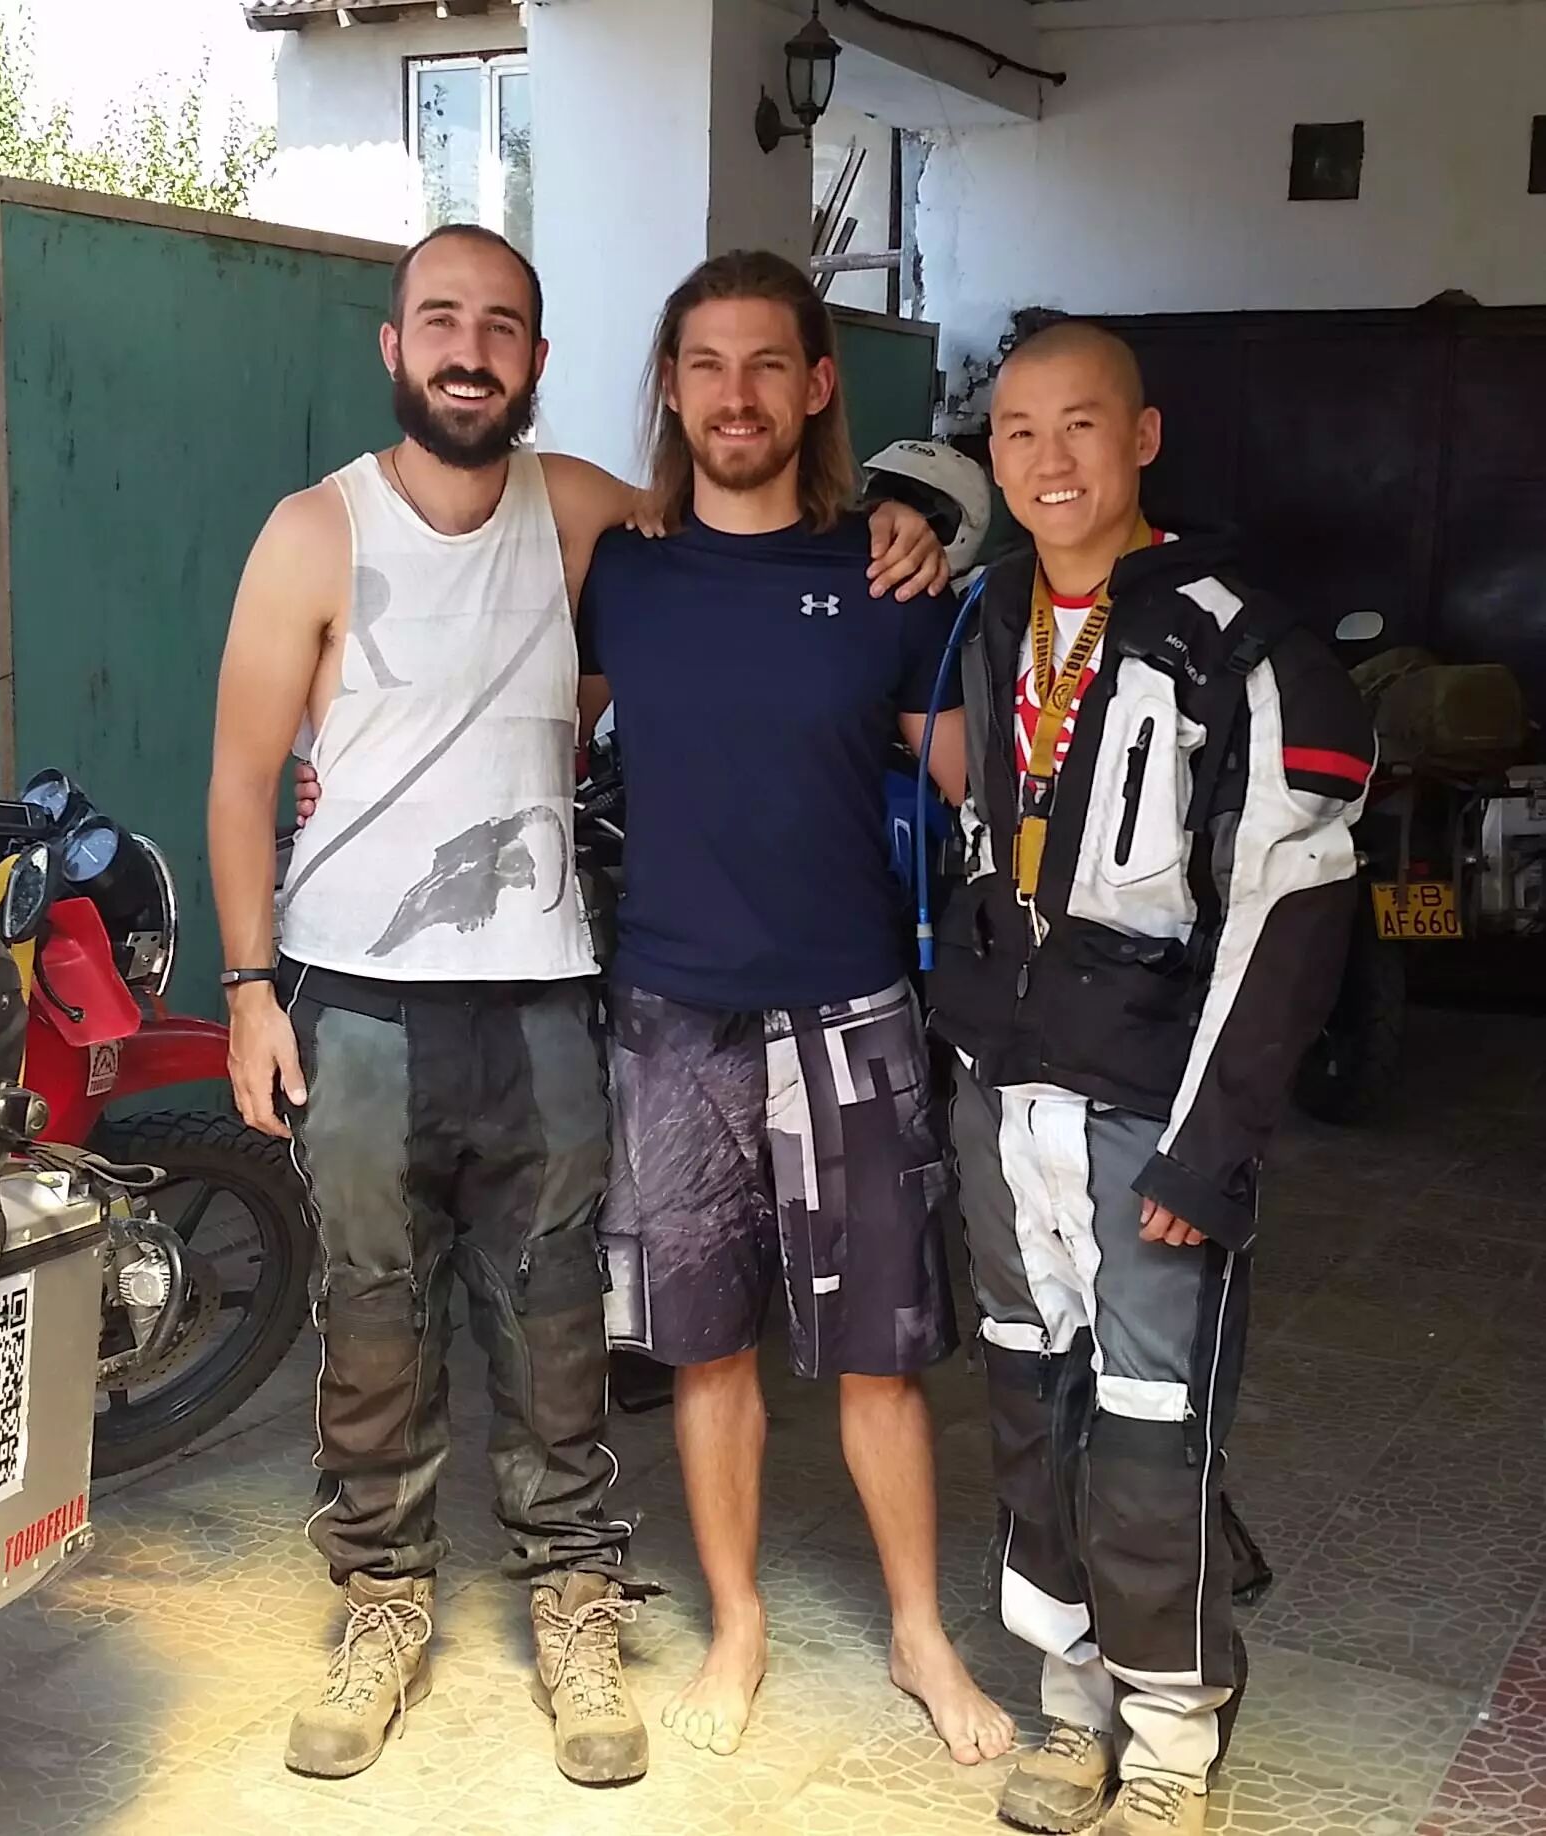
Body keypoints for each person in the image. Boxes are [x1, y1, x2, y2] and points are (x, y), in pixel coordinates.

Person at [206, 223, 946, 1788]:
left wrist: (902, 523)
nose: (470, 351)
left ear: (539, 360)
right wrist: (249, 985)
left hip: (547, 985)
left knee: (558, 1317)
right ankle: (383, 1606)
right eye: (441, 321)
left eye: (502, 326)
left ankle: (577, 1603)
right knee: (373, 1311)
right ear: (394, 346)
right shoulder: (312, 531)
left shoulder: (591, 521)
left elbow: (744, 540)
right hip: (357, 996)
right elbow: (240, 772)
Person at [929, 319, 1374, 1836]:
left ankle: (1174, 1732)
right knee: (1028, 1398)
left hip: (1150, 1111)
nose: (1048, 459)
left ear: (1143, 438)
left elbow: (1288, 912)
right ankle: (1073, 1701)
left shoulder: (1245, 644)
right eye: (1018, 432)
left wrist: (1212, 1146)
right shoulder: (993, 614)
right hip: (1007, 1100)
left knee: (1148, 1423)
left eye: (1081, 425)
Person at [572, 250, 1015, 1771]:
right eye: (705, 364)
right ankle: (738, 1624)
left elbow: (980, 776)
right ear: (671, 387)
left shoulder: (886, 582)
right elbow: (531, 715)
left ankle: (920, 1633)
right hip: (672, 1012)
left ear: (818, 385)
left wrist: (962, 547)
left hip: (851, 1006)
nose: (736, 394)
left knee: (882, 1355)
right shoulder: (622, 575)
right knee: (706, 1349)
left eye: (768, 362)